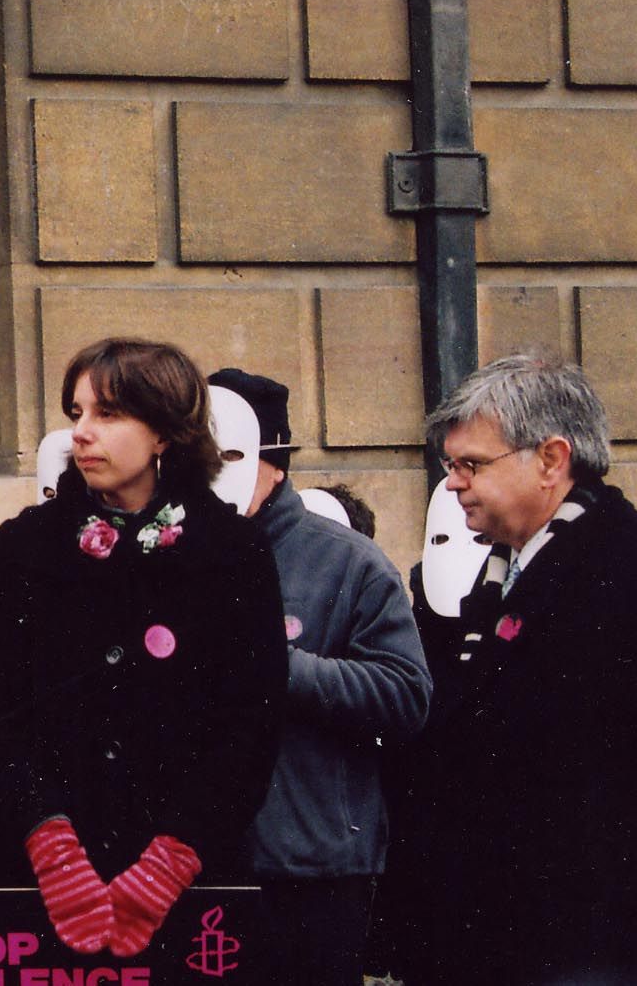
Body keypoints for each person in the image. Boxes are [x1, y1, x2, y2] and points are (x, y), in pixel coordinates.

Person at [0, 338, 286, 958]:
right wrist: (51, 847)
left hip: (191, 892)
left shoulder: (233, 551)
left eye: (107, 414)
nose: (81, 433)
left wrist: (170, 860)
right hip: (41, 883)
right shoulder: (27, 545)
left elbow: (250, 728)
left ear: (165, 433)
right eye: (76, 412)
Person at [385, 354, 637, 986]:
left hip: (591, 939)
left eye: (471, 464)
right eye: (449, 464)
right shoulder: (499, 569)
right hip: (498, 929)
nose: (453, 483)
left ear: (551, 459)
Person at [206, 368, 430, 986]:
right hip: (191, 864)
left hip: (311, 873)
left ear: (270, 460)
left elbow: (406, 694)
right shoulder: (169, 553)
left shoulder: (348, 562)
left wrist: (281, 669)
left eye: (225, 454)